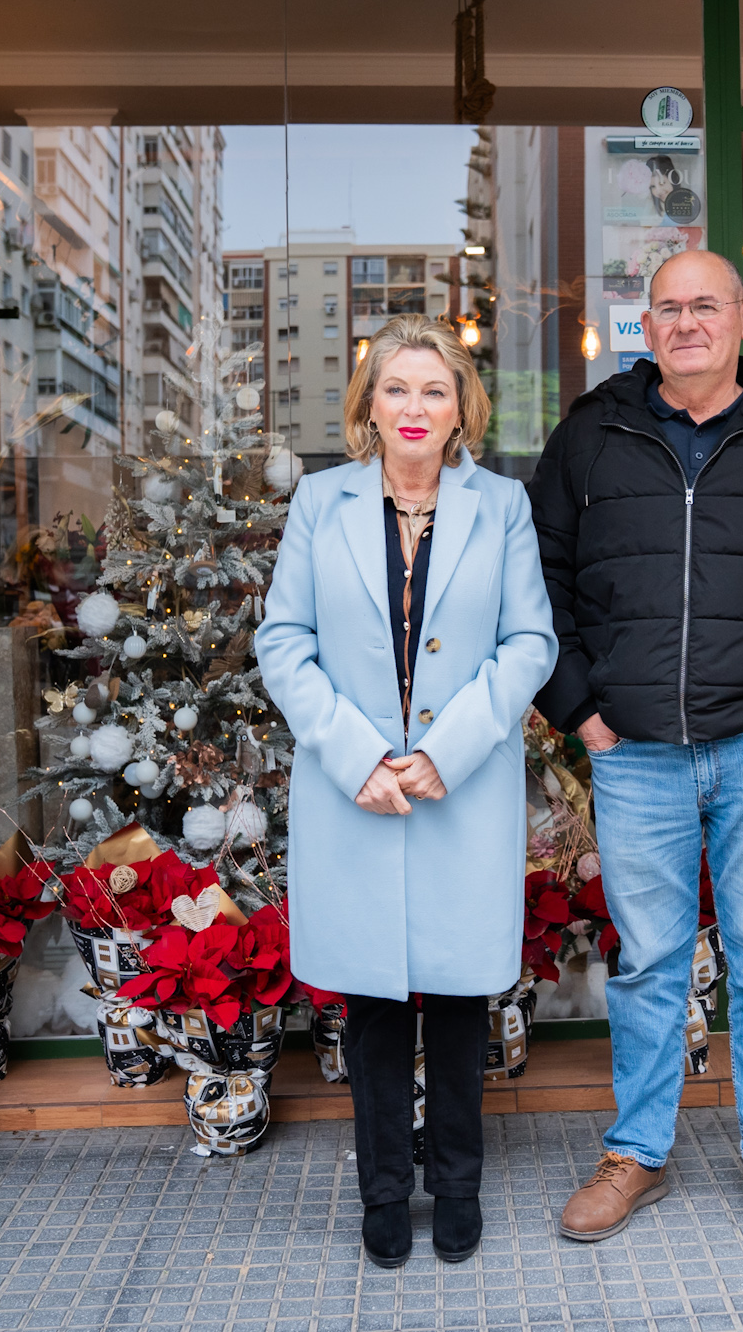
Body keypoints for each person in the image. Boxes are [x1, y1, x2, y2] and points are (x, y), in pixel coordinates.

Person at [530, 249, 743, 1248]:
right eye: (666, 308)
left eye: (704, 306)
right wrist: (579, 711)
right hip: (633, 746)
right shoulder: (592, 435)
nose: (685, 322)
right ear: (643, 325)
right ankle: (636, 1151)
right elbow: (539, 575)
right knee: (647, 965)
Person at [256, 315, 558, 1269]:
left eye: (435, 390)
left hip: (456, 790)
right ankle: (384, 1190)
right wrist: (357, 756)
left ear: (461, 405)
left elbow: (529, 644)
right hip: (356, 790)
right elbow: (283, 641)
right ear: (369, 407)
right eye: (398, 390)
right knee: (376, 1001)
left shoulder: (501, 505)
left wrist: (446, 750)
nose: (416, 407)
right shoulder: (320, 501)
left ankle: (457, 1185)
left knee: (463, 995)